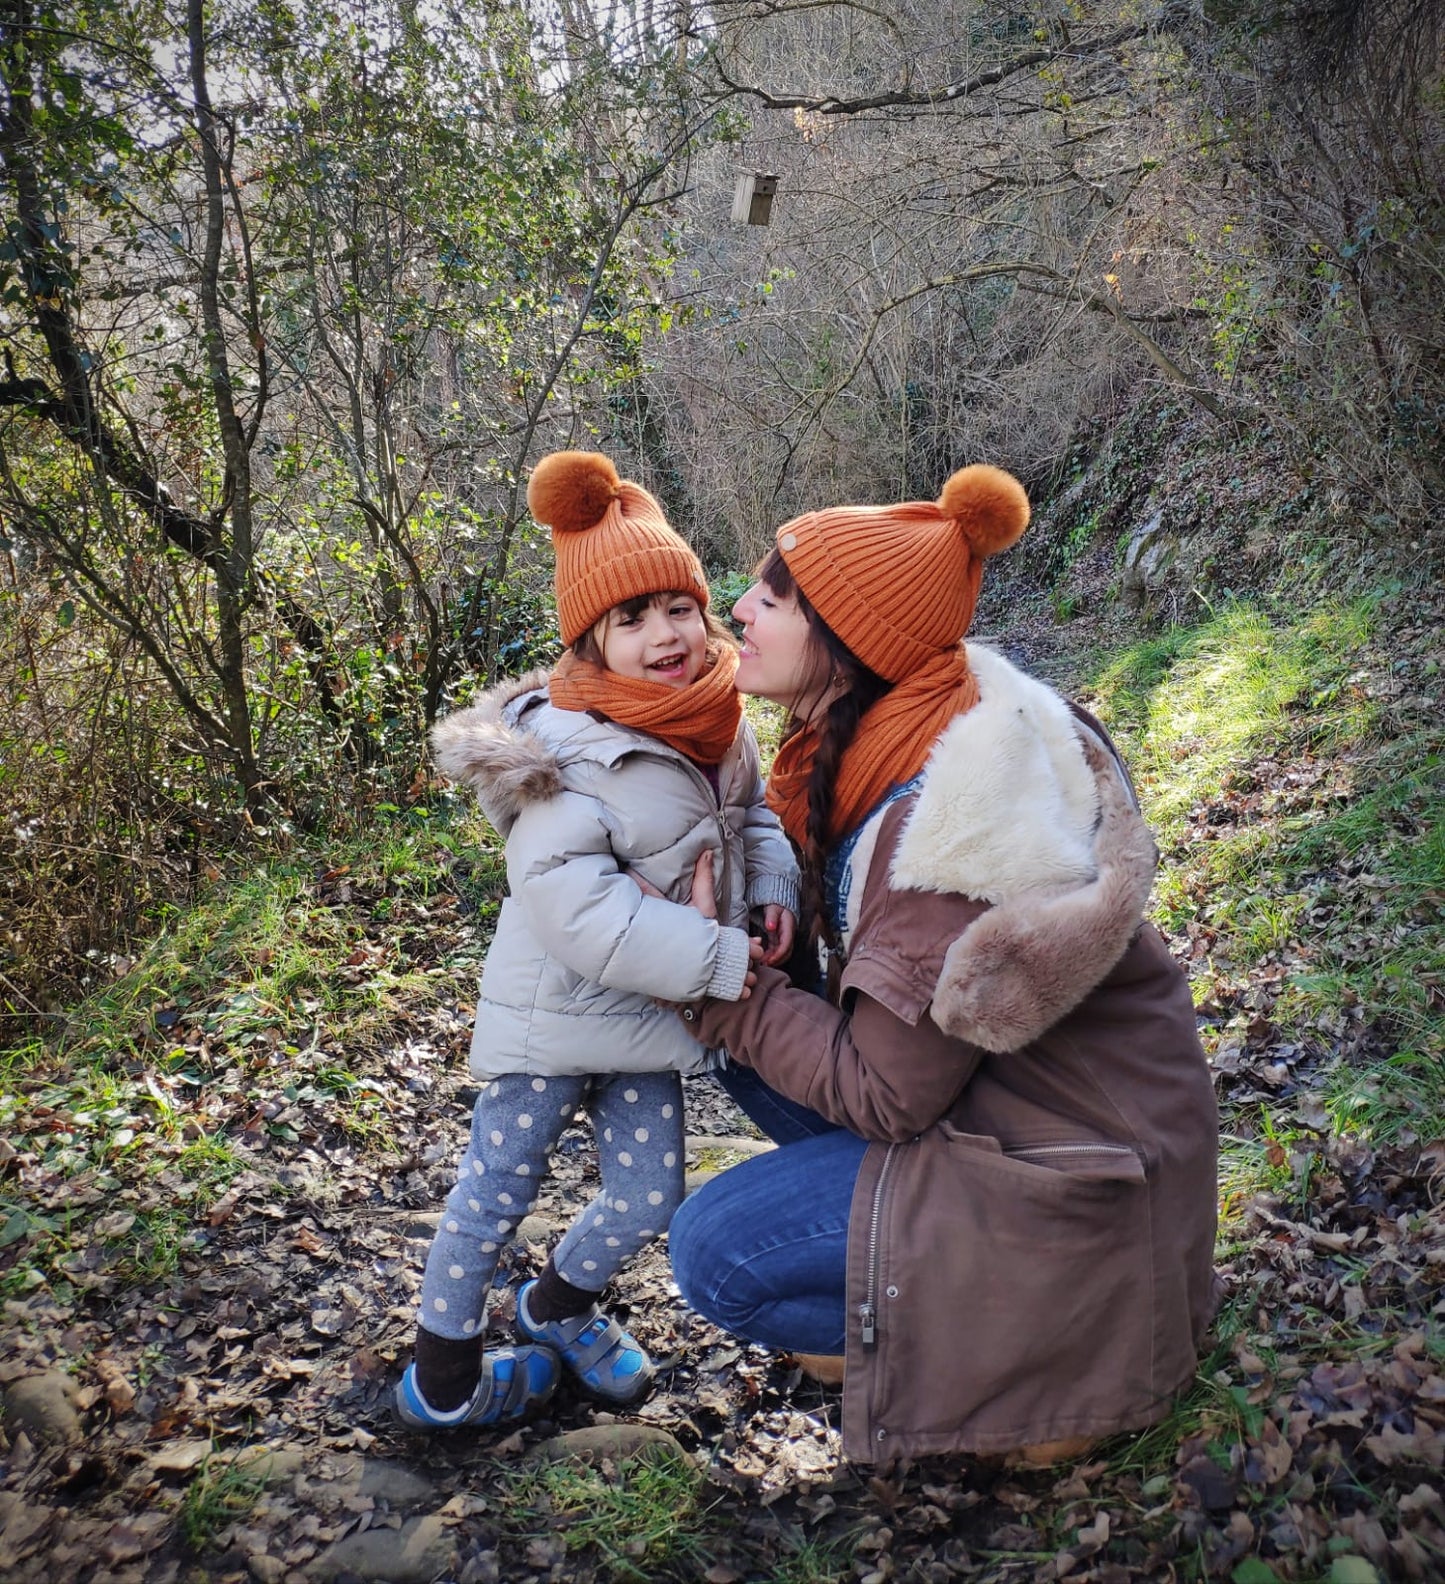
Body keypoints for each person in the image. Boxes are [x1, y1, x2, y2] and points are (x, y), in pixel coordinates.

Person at [662, 463, 1220, 1465]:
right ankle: (923, 1310)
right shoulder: (890, 732)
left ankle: (1050, 1372)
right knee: (745, 1045)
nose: (736, 606)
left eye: (771, 596)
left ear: (851, 639)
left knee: (718, 1253)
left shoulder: (945, 821)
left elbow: (887, 1096)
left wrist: (722, 985)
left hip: (1078, 1175)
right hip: (1014, 1111)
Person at [395, 450, 797, 1431]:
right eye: (631, 619)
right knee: (495, 1191)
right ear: (591, 638)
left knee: (649, 1193)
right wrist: (711, 958)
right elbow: (566, 901)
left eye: (677, 608)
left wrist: (771, 887)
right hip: (556, 1019)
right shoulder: (566, 753)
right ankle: (442, 1380)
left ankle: (555, 1307)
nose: (663, 634)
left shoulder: (718, 723)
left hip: (645, 1023)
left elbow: (750, 821)